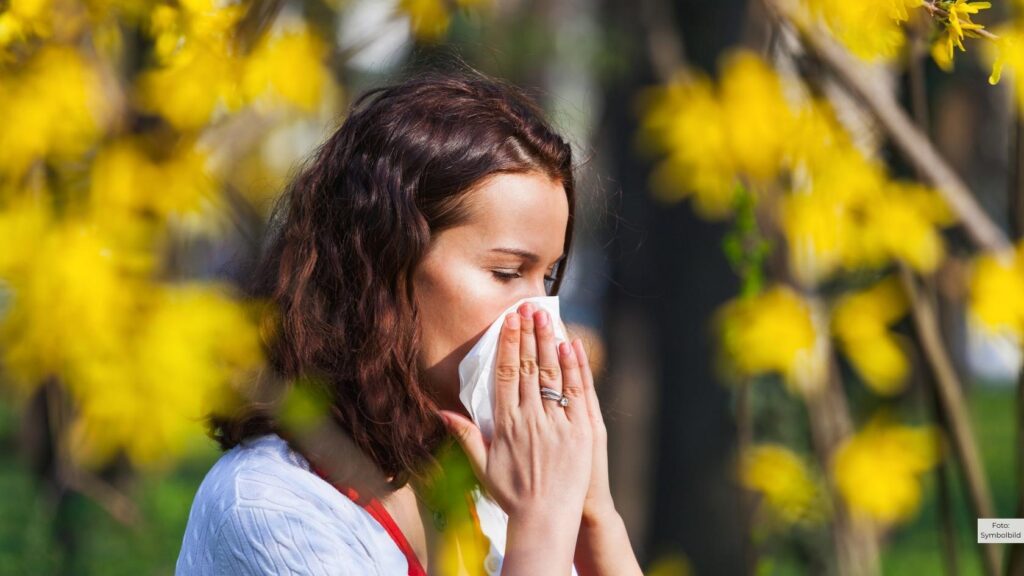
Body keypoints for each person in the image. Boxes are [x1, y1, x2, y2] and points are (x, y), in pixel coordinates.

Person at [175, 67, 643, 576]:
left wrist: (593, 517)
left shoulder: (490, 485)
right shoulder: (269, 506)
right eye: (507, 272)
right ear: (383, 264)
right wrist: (543, 523)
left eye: (547, 278)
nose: (542, 319)